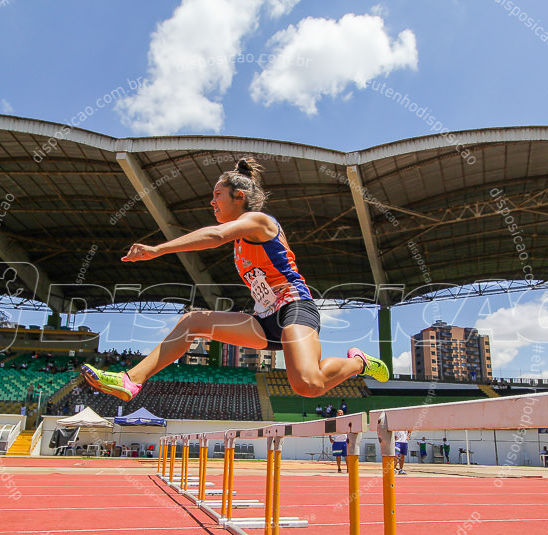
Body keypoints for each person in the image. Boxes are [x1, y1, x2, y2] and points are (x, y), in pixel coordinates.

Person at [81, 158, 389, 401]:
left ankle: (359, 362)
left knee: (308, 385)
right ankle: (131, 380)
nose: (211, 202)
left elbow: (214, 235)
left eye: (217, 195)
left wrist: (158, 249)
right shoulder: (241, 241)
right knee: (193, 321)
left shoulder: (259, 221)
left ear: (238, 196)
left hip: (295, 307)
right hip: (264, 319)